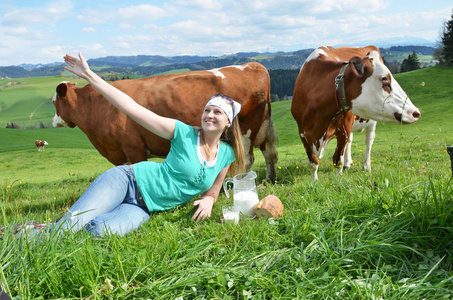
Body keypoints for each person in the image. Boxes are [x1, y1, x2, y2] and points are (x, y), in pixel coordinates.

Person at [47, 52, 245, 237]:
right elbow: (131, 107)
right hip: (127, 181)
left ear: (228, 121)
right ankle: (25, 234)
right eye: (207, 110)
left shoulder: (226, 154)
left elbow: (213, 191)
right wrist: (89, 75)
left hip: (143, 207)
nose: (209, 115)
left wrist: (209, 201)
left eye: (217, 112)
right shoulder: (183, 133)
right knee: (67, 229)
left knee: (99, 231)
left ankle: (52, 226)